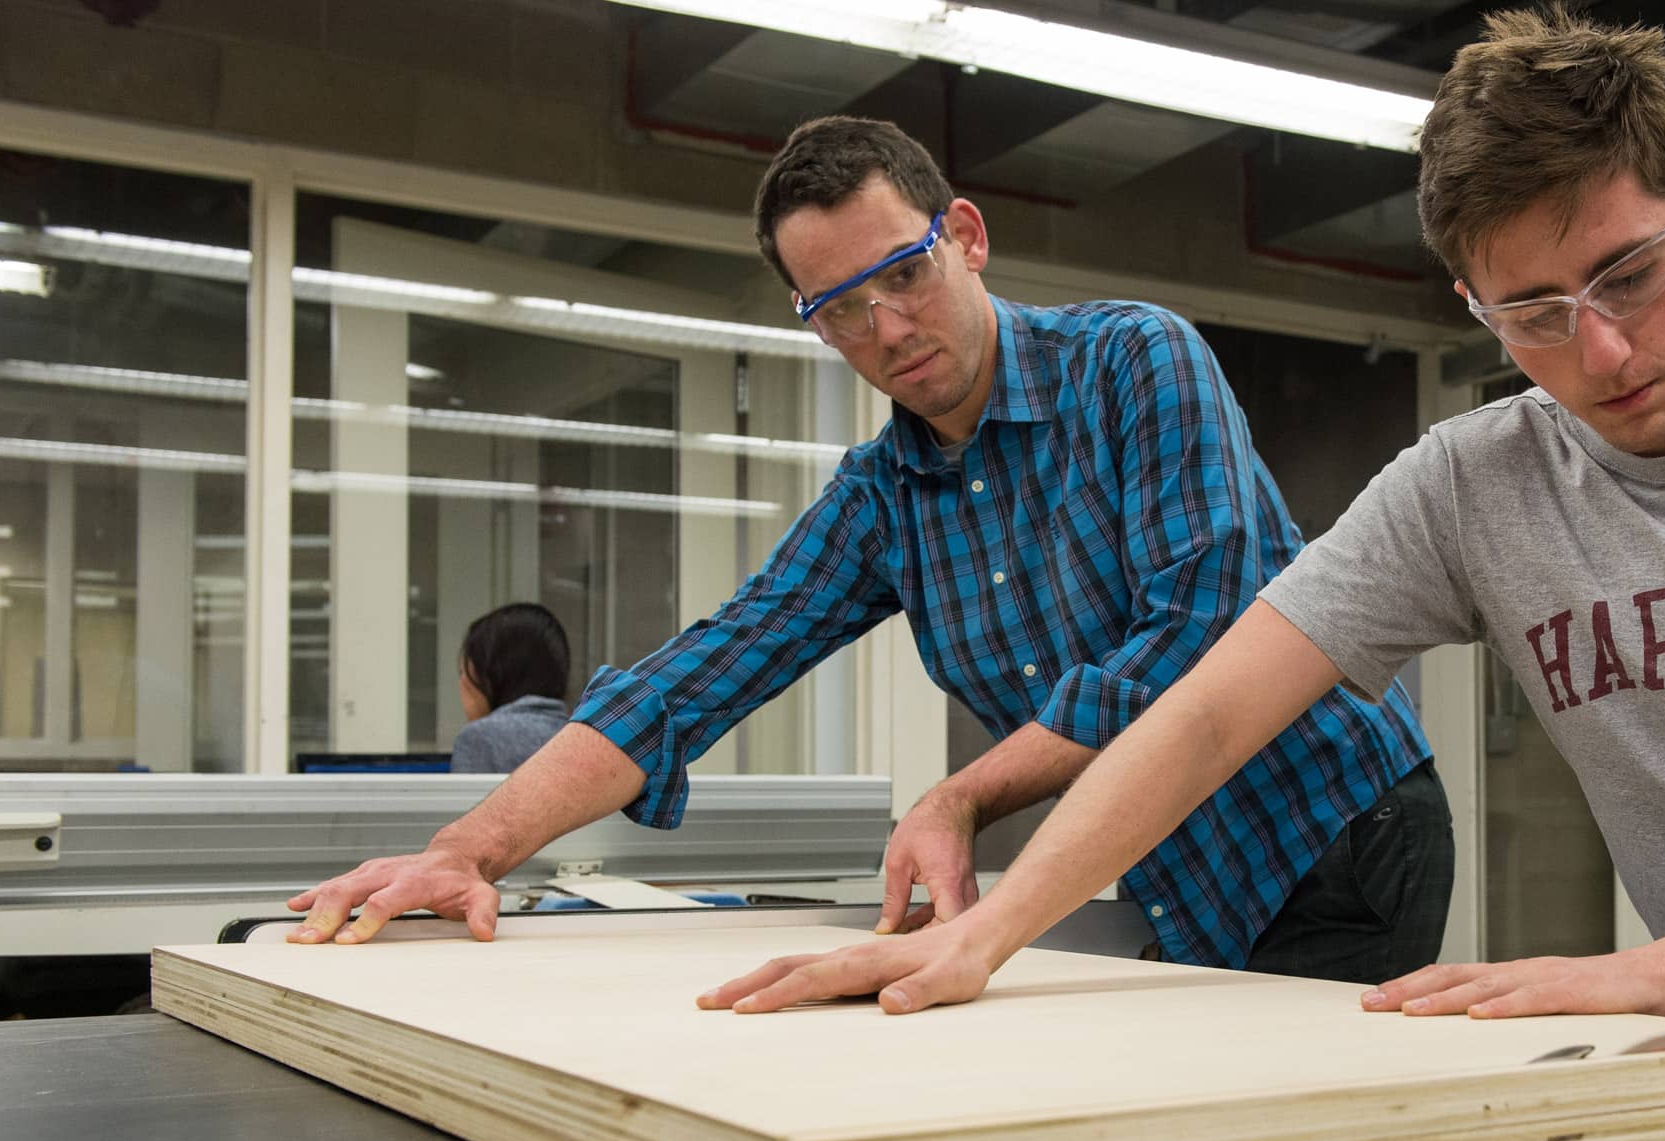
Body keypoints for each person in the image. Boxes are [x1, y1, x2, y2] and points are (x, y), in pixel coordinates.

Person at [707, 12, 1665, 1098]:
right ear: (1474, 305)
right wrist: (987, 940)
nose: (1600, 352)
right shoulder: (1477, 482)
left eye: (1628, 275)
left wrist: (1648, 973)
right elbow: (1209, 711)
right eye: (1531, 315)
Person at [284, 116, 1452, 985]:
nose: (888, 327)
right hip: (1178, 861)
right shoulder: (883, 498)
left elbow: (1200, 632)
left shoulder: (1132, 363)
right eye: (841, 307)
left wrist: (961, 797)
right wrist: (469, 848)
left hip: (1336, 828)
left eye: (904, 273)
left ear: (966, 238)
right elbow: (698, 674)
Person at [450, 602, 571, 774]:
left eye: (464, 672)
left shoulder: (478, 740)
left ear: (488, 675)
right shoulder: (584, 737)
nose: (462, 684)